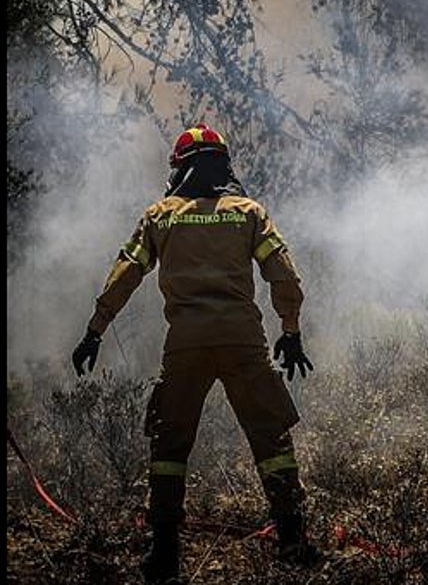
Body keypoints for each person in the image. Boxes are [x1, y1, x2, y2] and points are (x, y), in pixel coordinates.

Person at [71, 123, 319, 583]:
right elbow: (283, 275)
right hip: (243, 341)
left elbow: (125, 274)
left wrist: (94, 330)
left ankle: (164, 553)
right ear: (224, 166)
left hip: (185, 345)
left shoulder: (160, 217)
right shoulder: (248, 213)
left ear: (179, 169)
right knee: (271, 439)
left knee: (169, 445)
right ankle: (292, 538)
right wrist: (290, 330)